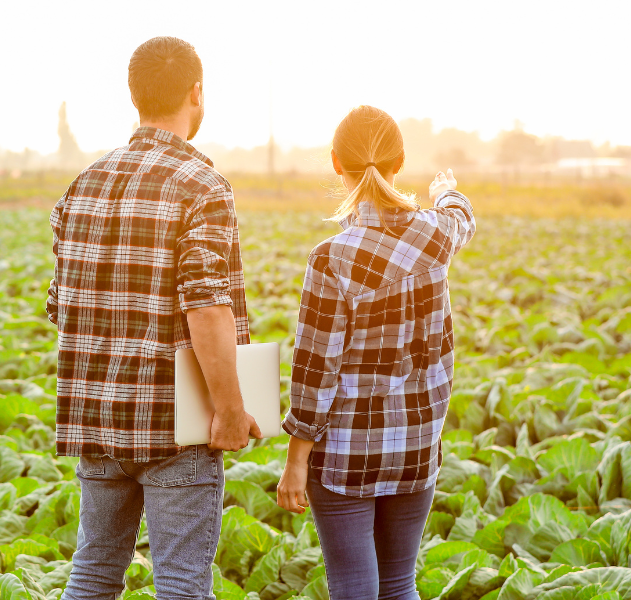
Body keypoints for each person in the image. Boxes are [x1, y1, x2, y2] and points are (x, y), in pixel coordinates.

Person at [47, 36, 259, 600]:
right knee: (183, 584)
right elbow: (207, 305)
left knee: (93, 574)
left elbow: (59, 305)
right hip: (177, 425)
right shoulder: (201, 185)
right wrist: (232, 409)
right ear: (197, 93)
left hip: (95, 421)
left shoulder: (83, 185)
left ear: (134, 97)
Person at [275, 105, 476, 600]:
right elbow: (462, 216)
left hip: (346, 452)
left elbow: (315, 366)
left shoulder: (332, 257)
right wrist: (445, 190)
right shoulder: (437, 235)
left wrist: (296, 459)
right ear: (399, 162)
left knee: (353, 588)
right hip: (417, 446)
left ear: (336, 163)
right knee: (399, 586)